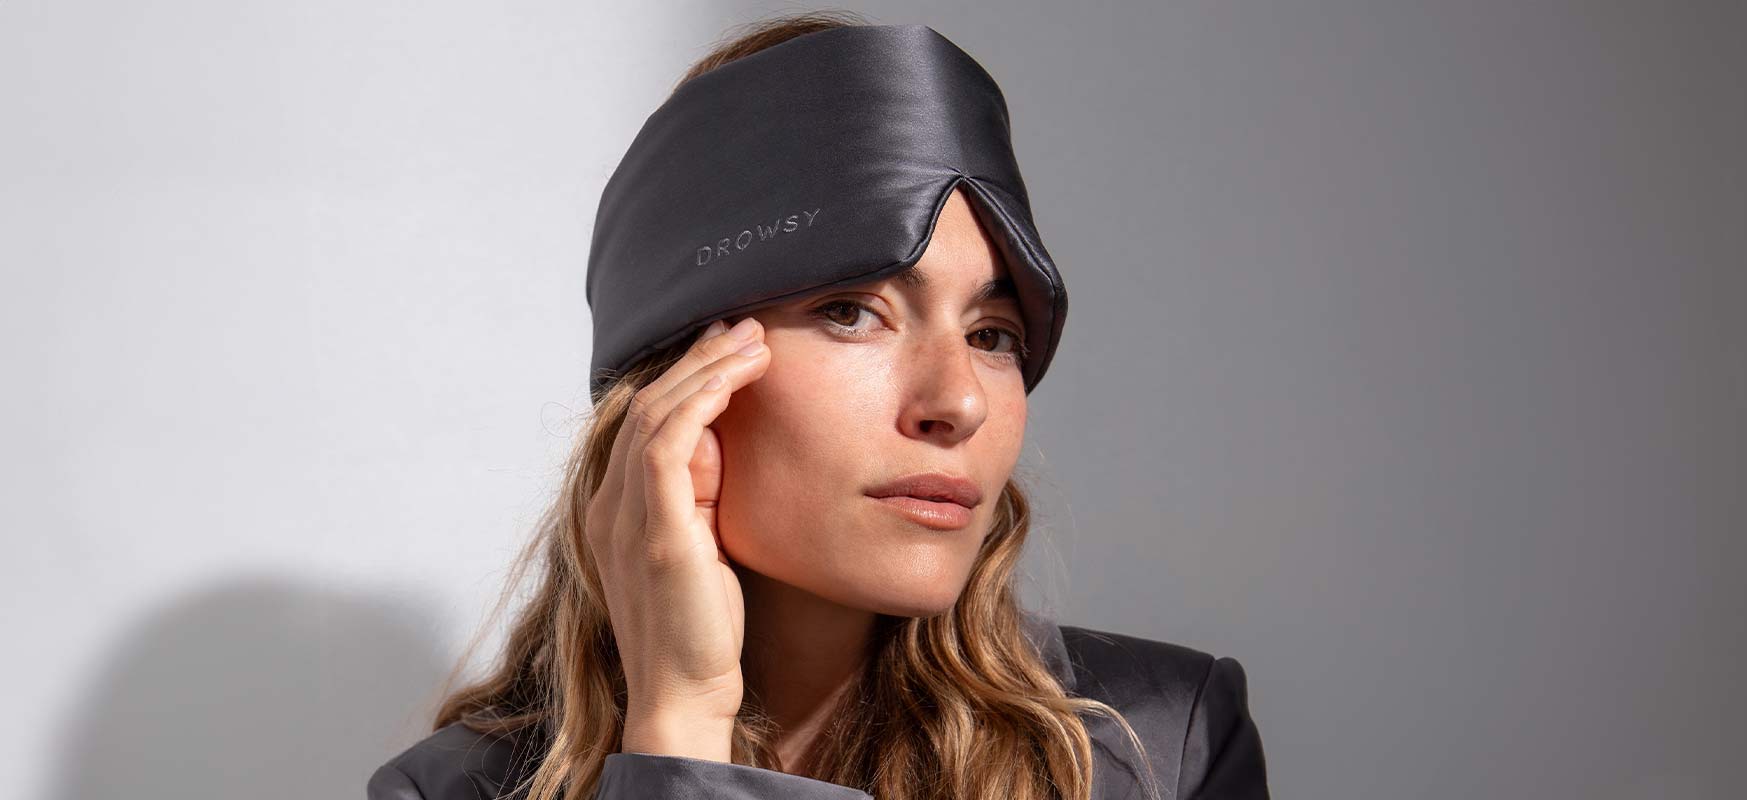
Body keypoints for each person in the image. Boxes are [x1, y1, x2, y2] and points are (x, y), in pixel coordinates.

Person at [367, 11, 1269, 800]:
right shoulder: (449, 791)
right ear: (669, 387)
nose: (959, 400)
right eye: (851, 312)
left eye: (993, 334)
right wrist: (679, 726)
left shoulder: (1160, 749)